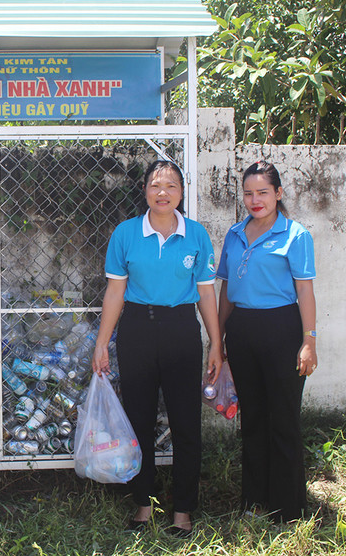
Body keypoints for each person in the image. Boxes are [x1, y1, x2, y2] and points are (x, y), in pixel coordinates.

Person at [93, 159, 223, 537]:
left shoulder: (196, 235)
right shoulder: (126, 234)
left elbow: (206, 294)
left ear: (181, 192)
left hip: (181, 330)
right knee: (139, 420)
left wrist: (216, 343)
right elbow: (115, 292)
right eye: (155, 185)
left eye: (170, 186)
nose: (162, 192)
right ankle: (143, 504)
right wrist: (102, 343)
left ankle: (183, 511)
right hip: (137, 330)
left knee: (186, 423)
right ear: (145, 190)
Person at [216, 161, 317, 522]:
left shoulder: (295, 235)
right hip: (242, 331)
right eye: (248, 193)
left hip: (282, 329)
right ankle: (254, 500)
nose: (255, 200)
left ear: (278, 193)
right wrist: (218, 339)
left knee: (283, 418)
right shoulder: (235, 234)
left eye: (262, 192)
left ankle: (289, 508)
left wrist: (309, 341)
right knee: (253, 418)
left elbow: (305, 291)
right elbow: (226, 289)